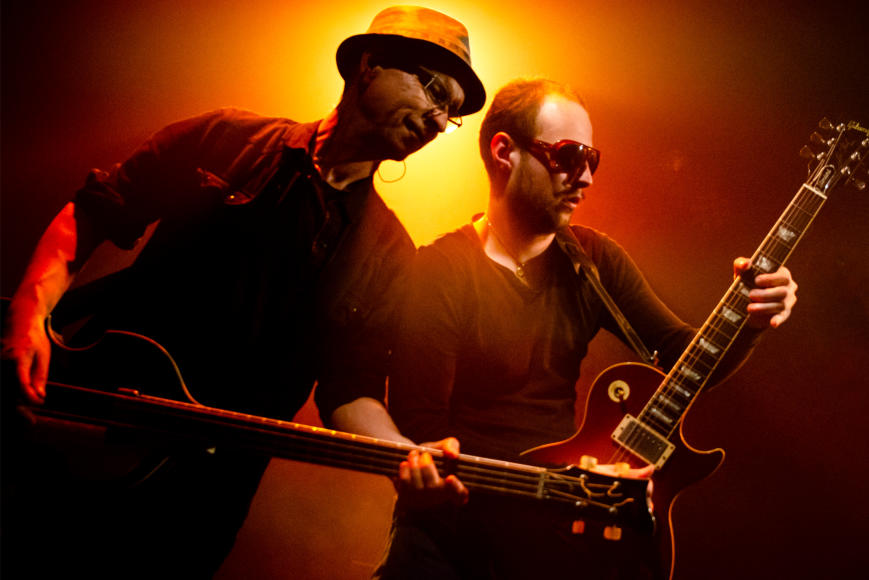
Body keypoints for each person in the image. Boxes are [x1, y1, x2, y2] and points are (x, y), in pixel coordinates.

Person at [0, 6, 485, 578]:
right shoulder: (227, 138)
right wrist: (28, 314)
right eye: (434, 90)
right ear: (369, 65)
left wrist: (403, 455)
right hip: (77, 434)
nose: (438, 120)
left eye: (452, 113)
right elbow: (94, 211)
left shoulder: (389, 251)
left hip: (204, 497)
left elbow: (349, 390)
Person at [376, 78, 798, 578]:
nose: (586, 178)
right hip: (452, 537)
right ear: (504, 152)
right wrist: (553, 485)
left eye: (591, 160)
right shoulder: (440, 269)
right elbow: (423, 429)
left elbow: (683, 359)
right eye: (569, 156)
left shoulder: (595, 258)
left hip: (556, 530)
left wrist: (751, 320)